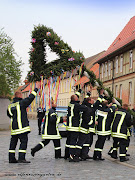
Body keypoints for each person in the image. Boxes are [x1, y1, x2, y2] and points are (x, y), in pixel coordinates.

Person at [7, 88, 38, 163]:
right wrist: (35, 90)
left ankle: (11, 158)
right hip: (22, 128)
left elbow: (9, 115)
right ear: (20, 95)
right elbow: (30, 98)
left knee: (13, 144)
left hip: (14, 129)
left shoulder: (10, 106)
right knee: (23, 142)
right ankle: (21, 158)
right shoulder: (21, 103)